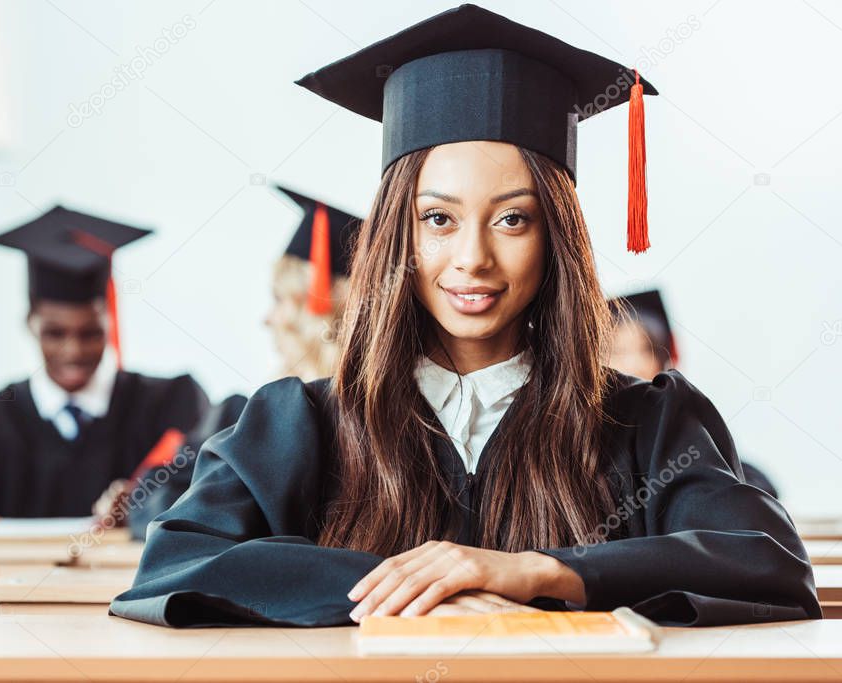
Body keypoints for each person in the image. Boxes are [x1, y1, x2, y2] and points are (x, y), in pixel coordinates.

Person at [111, 5, 820, 627]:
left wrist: (541, 572)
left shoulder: (646, 423)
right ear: (398, 234)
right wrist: (417, 589)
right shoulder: (304, 424)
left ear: (556, 238)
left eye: (512, 218)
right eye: (437, 219)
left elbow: (765, 562)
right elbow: (175, 561)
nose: (472, 257)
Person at [0, 206, 210, 529]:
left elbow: (216, 493)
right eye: (54, 333)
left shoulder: (168, 403)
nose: (72, 350)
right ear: (30, 324)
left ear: (109, 325)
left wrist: (151, 502)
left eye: (90, 333)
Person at [123, 185, 363, 539]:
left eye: (280, 300)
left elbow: (167, 512)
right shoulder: (383, 423)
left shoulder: (258, 424)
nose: (268, 319)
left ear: (317, 310)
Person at [608, 289, 780, 497]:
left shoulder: (694, 436)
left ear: (666, 357)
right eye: (617, 351)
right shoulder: (592, 455)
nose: (631, 363)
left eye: (646, 349)